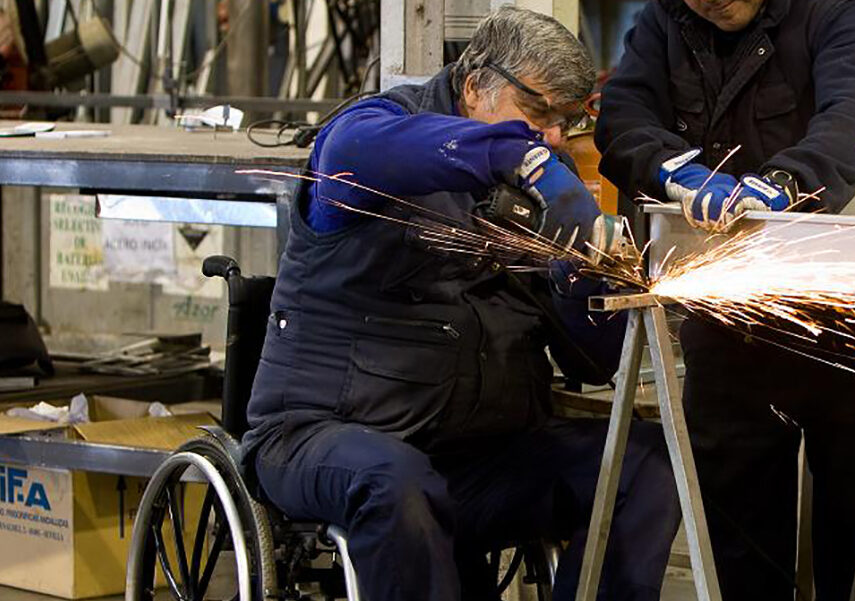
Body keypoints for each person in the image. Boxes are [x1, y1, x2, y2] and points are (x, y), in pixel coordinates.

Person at [242, 7, 680, 601]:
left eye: (564, 121)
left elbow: (593, 362)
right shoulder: (374, 133)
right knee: (395, 480)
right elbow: (360, 148)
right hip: (325, 438)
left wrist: (583, 281)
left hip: (475, 458)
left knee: (645, 464)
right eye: (538, 113)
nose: (551, 138)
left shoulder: (538, 191)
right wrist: (518, 155)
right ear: (475, 85)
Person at [595, 0, 855, 599]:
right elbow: (622, 117)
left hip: (853, 310)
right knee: (740, 536)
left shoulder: (846, 11)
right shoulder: (664, 20)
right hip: (730, 311)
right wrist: (673, 171)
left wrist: (788, 182)